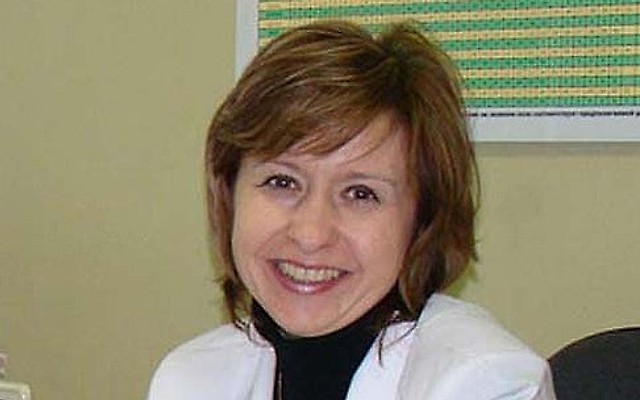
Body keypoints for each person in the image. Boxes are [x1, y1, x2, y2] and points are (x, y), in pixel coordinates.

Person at [147, 21, 556, 400]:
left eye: (360, 194)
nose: (311, 234)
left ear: (422, 220)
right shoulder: (192, 380)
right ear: (230, 194)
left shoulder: (484, 384)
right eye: (282, 182)